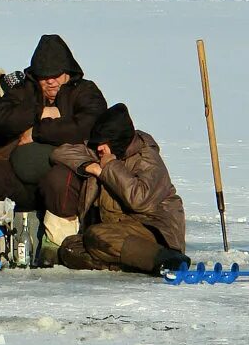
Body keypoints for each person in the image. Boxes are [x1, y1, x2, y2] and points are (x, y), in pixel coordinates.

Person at [0, 34, 107, 260]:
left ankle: (58, 246)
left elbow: (87, 125)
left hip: (62, 181)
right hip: (17, 177)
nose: (51, 81)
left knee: (59, 179)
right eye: (44, 76)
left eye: (56, 75)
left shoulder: (85, 92)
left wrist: (37, 131)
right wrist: (39, 112)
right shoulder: (24, 90)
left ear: (68, 72)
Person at [50, 103, 189, 275]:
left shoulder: (148, 160)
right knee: (70, 248)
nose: (99, 148)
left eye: (104, 144)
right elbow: (60, 152)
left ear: (117, 141)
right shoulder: (101, 153)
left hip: (153, 231)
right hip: (116, 232)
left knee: (97, 235)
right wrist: (91, 167)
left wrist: (110, 167)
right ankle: (135, 264)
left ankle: (167, 260)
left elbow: (139, 200)